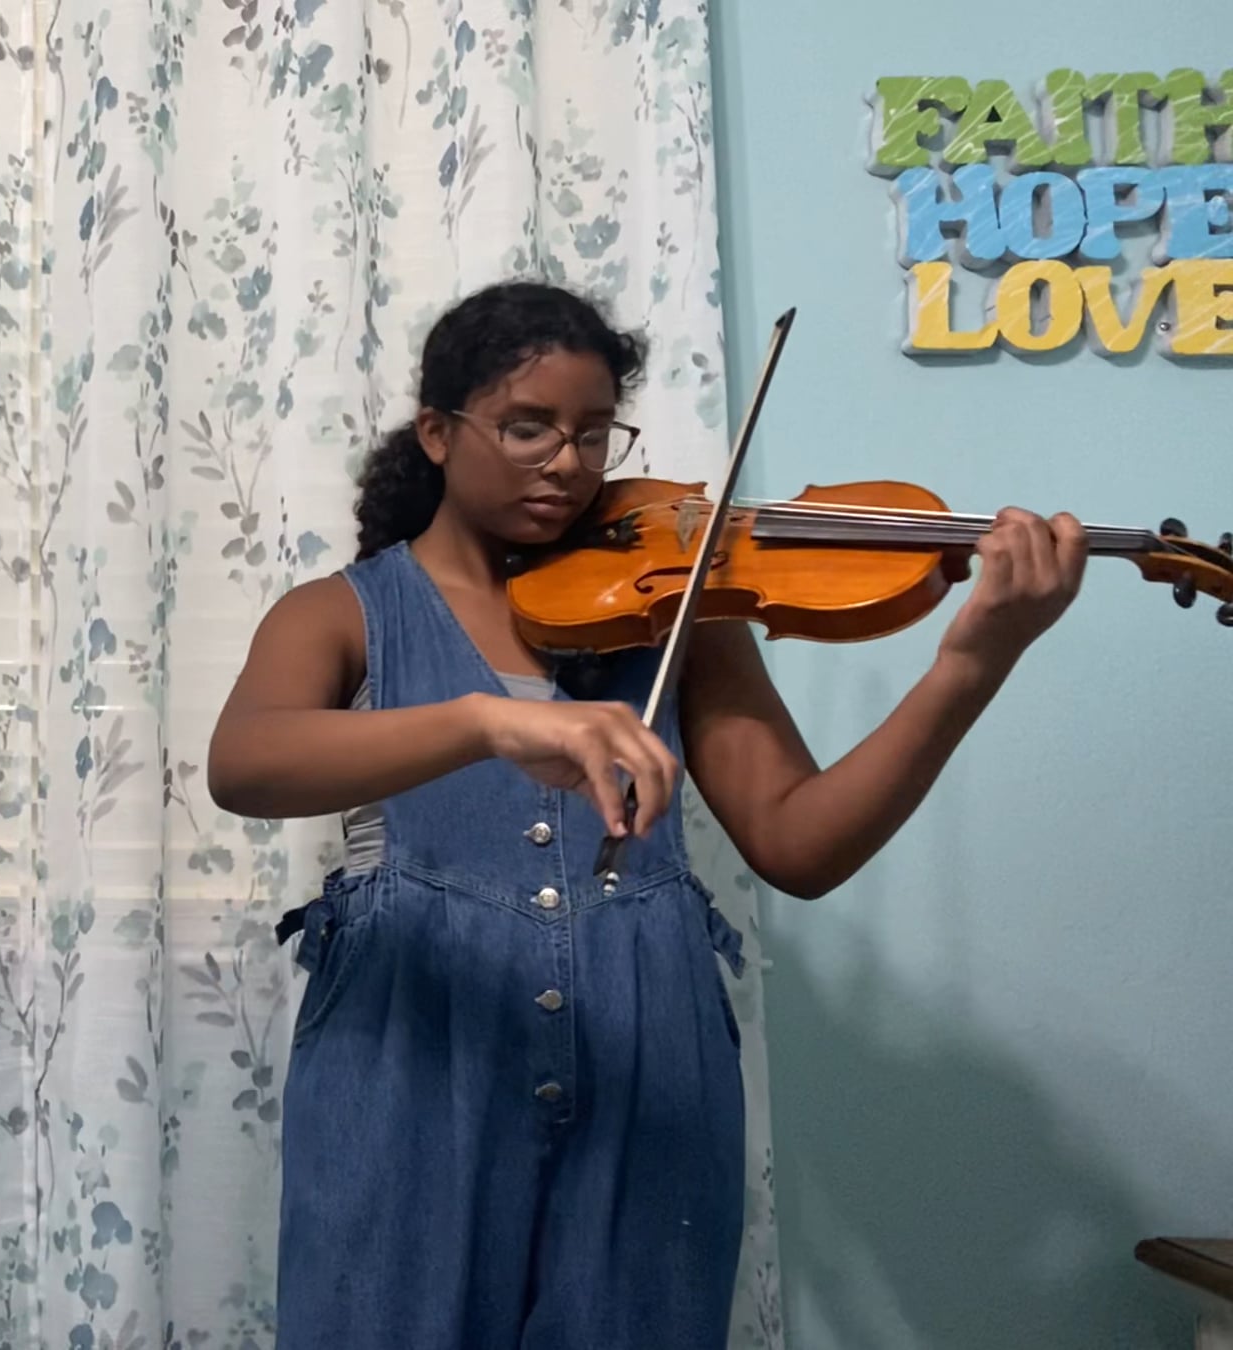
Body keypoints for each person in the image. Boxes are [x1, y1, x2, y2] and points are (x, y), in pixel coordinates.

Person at [206, 281, 1086, 1349]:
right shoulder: (340, 611)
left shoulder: (677, 610)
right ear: (438, 432)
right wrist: (486, 721)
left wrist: (971, 665)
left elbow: (800, 843)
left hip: (649, 1050)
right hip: (414, 1050)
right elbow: (244, 764)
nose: (568, 463)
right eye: (527, 427)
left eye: (593, 433)